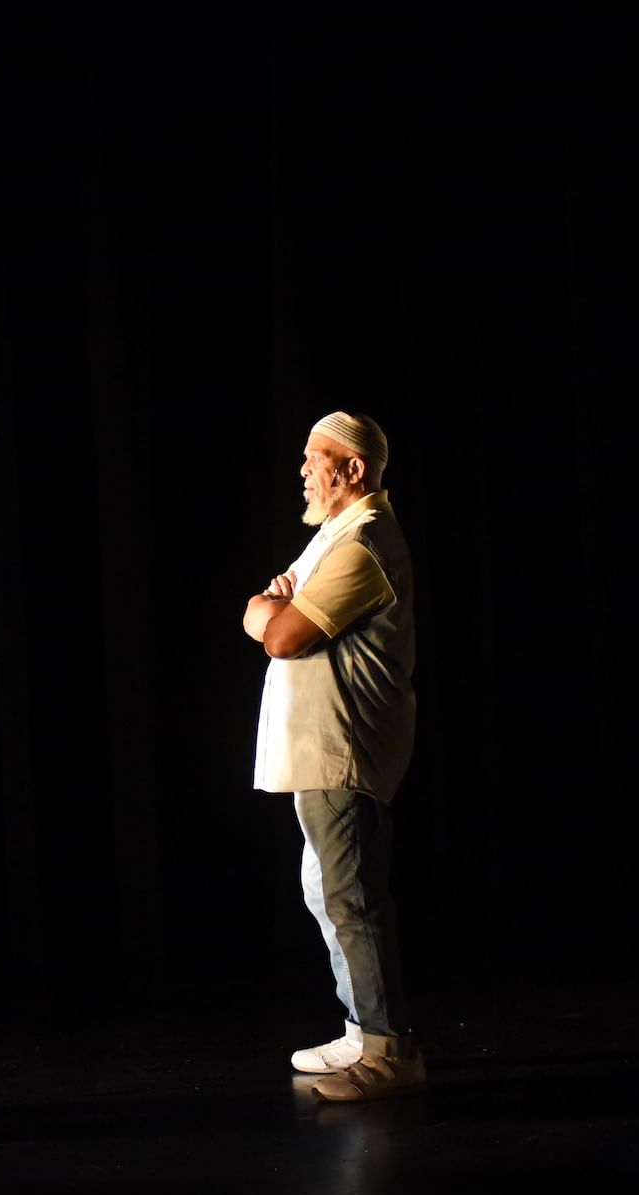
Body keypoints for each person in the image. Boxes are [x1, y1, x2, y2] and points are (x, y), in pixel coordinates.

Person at [243, 411, 423, 1102]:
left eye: (312, 458)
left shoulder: (364, 542)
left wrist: (265, 615)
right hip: (320, 745)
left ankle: (388, 1051)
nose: (301, 471)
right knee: (326, 891)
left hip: (342, 746)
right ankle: (361, 1030)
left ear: (351, 468)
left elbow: (282, 633)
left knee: (349, 896)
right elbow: (267, 609)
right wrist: (265, 611)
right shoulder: (332, 536)